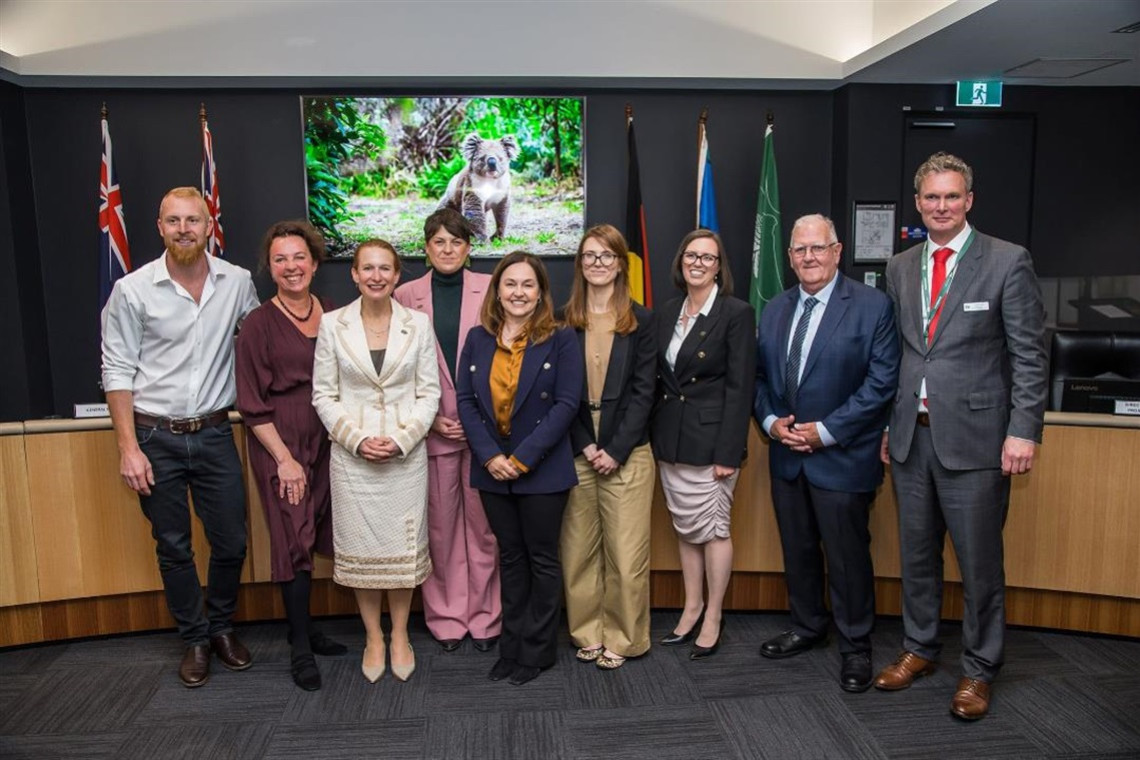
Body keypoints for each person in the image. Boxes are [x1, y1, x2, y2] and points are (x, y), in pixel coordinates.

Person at [876, 152, 1047, 720]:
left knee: (978, 564)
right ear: (918, 202)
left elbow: (1029, 353)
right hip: (910, 438)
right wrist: (889, 423)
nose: (940, 207)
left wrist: (1023, 430)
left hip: (977, 441)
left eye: (951, 197)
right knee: (917, 556)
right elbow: (902, 353)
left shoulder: (1006, 261)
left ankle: (979, 670)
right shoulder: (900, 267)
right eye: (931, 197)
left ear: (968, 201)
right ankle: (920, 648)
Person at [101, 186, 260, 688]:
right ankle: (195, 638)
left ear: (209, 226)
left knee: (232, 542)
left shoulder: (237, 282)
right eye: (174, 221)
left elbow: (256, 344)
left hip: (215, 434)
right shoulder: (132, 289)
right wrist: (128, 448)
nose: (184, 229)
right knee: (172, 546)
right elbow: (117, 369)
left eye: (194, 220)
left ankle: (220, 627)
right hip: (154, 437)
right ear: (160, 227)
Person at [753, 214, 899, 692]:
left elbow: (881, 385)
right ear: (790, 256)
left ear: (838, 251)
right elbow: (759, 381)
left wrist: (828, 431)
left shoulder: (872, 306)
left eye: (818, 248)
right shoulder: (774, 308)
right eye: (799, 250)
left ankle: (856, 647)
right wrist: (773, 423)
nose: (808, 257)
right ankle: (808, 626)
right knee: (798, 552)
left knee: (847, 557)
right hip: (788, 457)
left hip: (842, 457)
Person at [311, 240, 440, 684]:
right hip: (353, 462)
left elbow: (430, 394)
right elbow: (324, 395)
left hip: (405, 460)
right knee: (364, 555)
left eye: (385, 268)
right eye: (368, 268)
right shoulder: (332, 325)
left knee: (402, 556)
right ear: (354, 274)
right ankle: (373, 637)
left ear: (397, 275)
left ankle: (400, 635)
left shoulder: (418, 325)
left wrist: (402, 440)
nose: (377, 276)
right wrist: (358, 440)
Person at [456, 251, 584, 685]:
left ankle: (538, 650)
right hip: (491, 469)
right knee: (510, 560)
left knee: (542, 560)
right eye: (510, 284)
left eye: (528, 284)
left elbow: (567, 405)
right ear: (497, 290)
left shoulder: (561, 338)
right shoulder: (476, 338)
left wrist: (523, 457)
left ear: (541, 292)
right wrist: (491, 455)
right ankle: (511, 647)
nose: (518, 292)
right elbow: (466, 402)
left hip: (542, 470)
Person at [236, 220, 346, 691]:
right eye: (280, 259)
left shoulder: (338, 316)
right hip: (281, 442)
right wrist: (284, 459)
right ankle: (300, 649)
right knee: (292, 536)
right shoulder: (258, 324)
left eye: (298, 257)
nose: (290, 266)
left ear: (315, 263)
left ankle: (306, 628)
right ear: (270, 268)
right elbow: (250, 403)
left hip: (330, 440)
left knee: (318, 527)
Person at [393, 209, 501, 653]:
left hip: (484, 433)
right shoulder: (404, 295)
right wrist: (431, 418)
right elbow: (398, 371)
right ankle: (448, 618)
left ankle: (485, 617)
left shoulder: (493, 287)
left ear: (469, 247)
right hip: (432, 430)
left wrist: (477, 421)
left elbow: (507, 359)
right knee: (440, 530)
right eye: (438, 242)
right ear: (425, 248)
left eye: (456, 242)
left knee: (484, 529)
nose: (447, 250)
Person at [651, 229, 755, 659]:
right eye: (691, 255)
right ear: (681, 261)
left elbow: (741, 386)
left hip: (712, 445)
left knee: (713, 531)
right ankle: (691, 607)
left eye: (707, 258)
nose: (697, 262)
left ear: (719, 267)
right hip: (671, 441)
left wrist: (729, 452)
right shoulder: (669, 311)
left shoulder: (736, 313)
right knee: (686, 529)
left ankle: (714, 614)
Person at [559, 225, 658, 671]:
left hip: (628, 449)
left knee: (625, 552)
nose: (597, 263)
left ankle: (624, 637)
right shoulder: (563, 322)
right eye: (589, 256)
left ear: (621, 263)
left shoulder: (643, 320)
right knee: (578, 550)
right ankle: (587, 631)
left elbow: (644, 393)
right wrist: (585, 443)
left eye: (606, 256)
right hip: (575, 443)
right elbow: (558, 393)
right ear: (580, 264)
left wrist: (614, 449)